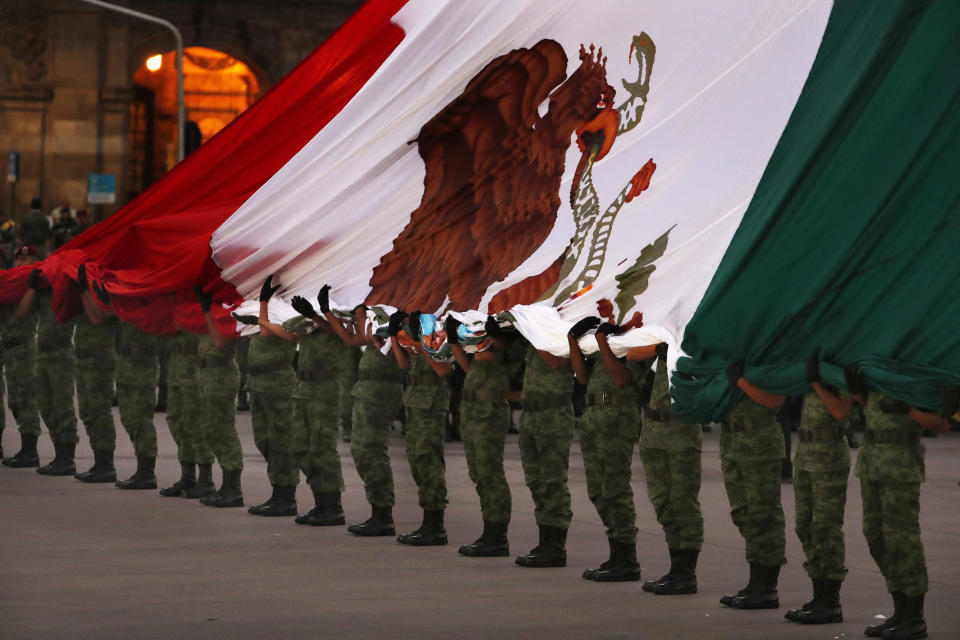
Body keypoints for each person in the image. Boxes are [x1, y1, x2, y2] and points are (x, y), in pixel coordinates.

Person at [849, 365, 952, 639]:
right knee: (876, 536)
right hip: (871, 463)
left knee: (902, 540)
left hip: (900, 466)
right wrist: (858, 392)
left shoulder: (918, 371)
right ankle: (900, 609)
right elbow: (872, 406)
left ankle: (914, 617)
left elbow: (942, 423)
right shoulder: (877, 367)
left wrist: (907, 410)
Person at [567, 316, 647, 582]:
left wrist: (603, 340)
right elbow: (581, 377)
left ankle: (627, 558)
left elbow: (621, 379)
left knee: (614, 487)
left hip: (617, 417)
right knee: (597, 490)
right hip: (593, 416)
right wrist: (573, 341)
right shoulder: (607, 342)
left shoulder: (634, 344)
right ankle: (617, 553)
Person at [321, 286, 404, 536]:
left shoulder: (396, 317)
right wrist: (326, 312)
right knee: (361, 448)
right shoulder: (378, 317)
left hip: (380, 391)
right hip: (367, 390)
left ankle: (383, 514)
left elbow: (373, 338)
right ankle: (379, 511)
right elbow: (350, 340)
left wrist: (360, 308)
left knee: (370, 449)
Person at [783, 349, 851, 625]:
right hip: (808, 452)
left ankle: (830, 600)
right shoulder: (815, 365)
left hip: (829, 454)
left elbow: (840, 410)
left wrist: (816, 382)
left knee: (825, 527)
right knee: (805, 525)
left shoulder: (839, 368)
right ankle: (819, 593)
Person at [631, 341, 703, 595]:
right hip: (653, 429)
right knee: (662, 501)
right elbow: (632, 352)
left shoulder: (695, 341)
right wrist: (659, 348)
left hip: (681, 430)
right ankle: (676, 568)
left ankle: (686, 572)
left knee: (683, 501)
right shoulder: (661, 338)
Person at [719, 362, 787, 610]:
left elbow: (775, 402)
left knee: (764, 515)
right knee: (743, 514)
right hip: (732, 442)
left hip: (760, 443)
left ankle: (767, 587)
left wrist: (741, 381)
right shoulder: (730, 359)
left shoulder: (766, 358)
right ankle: (755, 581)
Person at [446, 315, 514, 557]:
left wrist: (494, 334)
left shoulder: (506, 340)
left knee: (490, 472)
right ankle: (490, 531)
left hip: (490, 412)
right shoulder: (478, 349)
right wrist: (452, 338)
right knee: (478, 472)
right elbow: (467, 366)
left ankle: (497, 534)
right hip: (472, 410)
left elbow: (505, 349)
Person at [284, 294, 351, 526]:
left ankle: (332, 506)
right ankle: (320, 500)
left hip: (325, 389)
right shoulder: (308, 319)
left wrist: (317, 314)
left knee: (322, 447)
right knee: (301, 447)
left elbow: (342, 333)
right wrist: (309, 314)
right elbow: (288, 329)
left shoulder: (340, 316)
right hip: (303, 387)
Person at [236, 276, 299, 517]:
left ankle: (286, 496)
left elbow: (267, 331)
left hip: (278, 383)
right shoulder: (265, 308)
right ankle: (277, 490)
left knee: (281, 440)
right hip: (259, 383)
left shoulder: (288, 309)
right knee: (265, 440)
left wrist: (263, 303)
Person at [390, 311, 451, 546]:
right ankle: (428, 522)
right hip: (415, 401)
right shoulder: (419, 330)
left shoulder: (438, 331)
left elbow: (442, 370)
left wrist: (420, 341)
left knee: (429, 460)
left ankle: (435, 525)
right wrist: (395, 336)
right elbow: (404, 362)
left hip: (432, 402)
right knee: (416, 459)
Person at [514, 335, 574, 568]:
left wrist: (533, 332)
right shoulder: (531, 337)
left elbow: (557, 362)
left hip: (554, 415)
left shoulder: (555, 334)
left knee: (552, 481)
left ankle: (555, 546)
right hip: (530, 416)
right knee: (536, 482)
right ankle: (545, 541)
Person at [18, 266, 78, 476]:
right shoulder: (43, 290)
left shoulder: (70, 286)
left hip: (61, 353)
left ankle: (67, 457)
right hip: (41, 353)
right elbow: (22, 312)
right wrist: (33, 287)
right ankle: (58, 452)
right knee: (45, 404)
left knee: (62, 406)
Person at [194, 285, 244, 508]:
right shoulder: (217, 306)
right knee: (211, 429)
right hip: (207, 373)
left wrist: (206, 310)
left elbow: (220, 341)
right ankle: (226, 486)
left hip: (221, 373)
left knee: (223, 429)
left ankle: (233, 488)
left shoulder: (229, 307)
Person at [73, 263, 120, 483]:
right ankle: (99, 461)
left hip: (99, 358)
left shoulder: (109, 286)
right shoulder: (94, 283)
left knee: (99, 411)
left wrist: (84, 289)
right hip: (84, 357)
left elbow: (97, 316)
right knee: (88, 412)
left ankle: (105, 464)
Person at [160, 321, 216, 499]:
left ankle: (206, 479)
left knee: (195, 421)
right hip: (177, 365)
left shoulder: (198, 301)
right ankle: (188, 475)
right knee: (177, 420)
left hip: (195, 367)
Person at [1, 246, 43, 468]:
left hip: (25, 349)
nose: (20, 262)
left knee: (26, 400)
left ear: (35, 260)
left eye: (25, 258)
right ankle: (25, 449)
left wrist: (32, 286)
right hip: (9, 349)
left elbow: (21, 312)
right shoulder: (10, 283)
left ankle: (30, 451)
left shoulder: (33, 284)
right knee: (16, 400)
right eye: (17, 259)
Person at [112, 313, 160, 490]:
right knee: (128, 418)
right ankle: (143, 470)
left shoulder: (146, 296)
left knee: (140, 418)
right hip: (125, 362)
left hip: (143, 363)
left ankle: (147, 472)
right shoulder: (126, 300)